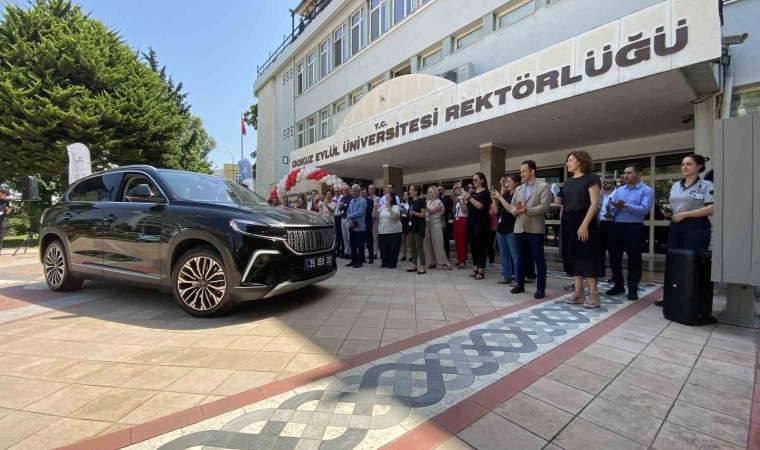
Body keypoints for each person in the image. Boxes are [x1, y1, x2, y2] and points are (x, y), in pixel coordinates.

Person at [656, 154, 714, 307]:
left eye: (689, 164)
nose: (684, 167)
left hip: (696, 226)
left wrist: (686, 214)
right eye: (682, 164)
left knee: (693, 262)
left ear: (699, 166)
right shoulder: (676, 185)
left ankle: (692, 298)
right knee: (675, 261)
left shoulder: (706, 185)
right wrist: (672, 213)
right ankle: (672, 296)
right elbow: (675, 205)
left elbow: (712, 208)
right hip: (677, 225)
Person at [561, 151, 603, 309]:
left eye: (570, 160)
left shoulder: (591, 178)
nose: (567, 163)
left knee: (586, 257)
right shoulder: (568, 182)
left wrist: (585, 224)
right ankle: (578, 292)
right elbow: (567, 202)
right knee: (573, 257)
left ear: (580, 161)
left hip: (585, 221)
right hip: (569, 221)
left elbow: (594, 203)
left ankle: (594, 294)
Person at [606, 164, 653, 301]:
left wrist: (625, 205)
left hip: (634, 227)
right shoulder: (620, 190)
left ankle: (632, 288)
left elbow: (644, 209)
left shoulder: (646, 190)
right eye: (625, 173)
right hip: (617, 226)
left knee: (634, 259)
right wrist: (612, 209)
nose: (625, 175)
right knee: (614, 257)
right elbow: (613, 207)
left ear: (639, 174)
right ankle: (618, 284)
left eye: (629, 173)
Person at [509, 160, 551, 299]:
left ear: (532, 171)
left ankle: (540, 289)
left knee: (538, 259)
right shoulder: (519, 189)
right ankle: (519, 284)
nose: (521, 174)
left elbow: (544, 207)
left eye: (524, 171)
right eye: (520, 171)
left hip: (535, 229)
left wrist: (528, 210)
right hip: (519, 228)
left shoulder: (543, 186)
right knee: (520, 258)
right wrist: (515, 210)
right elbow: (512, 205)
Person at [462, 172, 492, 280]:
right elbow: (465, 210)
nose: (474, 182)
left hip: (481, 222)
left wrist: (469, 197)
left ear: (482, 180)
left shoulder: (485, 192)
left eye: (476, 179)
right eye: (473, 180)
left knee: (480, 245)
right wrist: (462, 200)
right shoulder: (473, 193)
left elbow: (480, 206)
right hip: (471, 221)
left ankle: (481, 269)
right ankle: (475, 266)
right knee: (473, 245)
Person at [492, 174, 520, 286]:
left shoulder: (517, 195)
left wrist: (500, 198)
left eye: (509, 182)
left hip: (511, 228)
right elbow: (496, 211)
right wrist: (494, 199)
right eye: (506, 182)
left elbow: (511, 209)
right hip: (501, 227)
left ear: (516, 183)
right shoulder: (506, 194)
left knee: (515, 255)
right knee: (504, 254)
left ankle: (517, 279)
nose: (507, 184)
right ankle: (507, 277)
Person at [424, 186, 453, 270]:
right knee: (427, 244)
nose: (428, 193)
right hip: (427, 224)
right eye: (428, 192)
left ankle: (444, 262)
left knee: (438, 243)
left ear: (435, 193)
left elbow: (432, 210)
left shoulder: (438, 201)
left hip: (436, 224)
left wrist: (424, 205)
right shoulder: (427, 202)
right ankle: (430, 262)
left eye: (430, 192)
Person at [406, 185, 427, 274]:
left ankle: (423, 266)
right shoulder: (410, 202)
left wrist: (414, 213)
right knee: (412, 246)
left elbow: (423, 215)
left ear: (416, 192)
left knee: (419, 247)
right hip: (411, 226)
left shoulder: (421, 201)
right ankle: (414, 265)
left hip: (419, 226)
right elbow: (409, 214)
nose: (409, 191)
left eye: (411, 190)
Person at [599, 179, 617, 281]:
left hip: (612, 224)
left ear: (614, 185)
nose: (605, 184)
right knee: (600, 250)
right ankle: (600, 272)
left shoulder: (616, 195)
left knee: (613, 251)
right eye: (604, 182)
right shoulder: (600, 195)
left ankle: (615, 275)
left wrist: (613, 214)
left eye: (608, 183)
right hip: (601, 223)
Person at [378, 192, 402, 268]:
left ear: (392, 198)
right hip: (382, 230)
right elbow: (375, 215)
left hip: (393, 230)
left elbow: (394, 216)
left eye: (388, 197)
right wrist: (375, 207)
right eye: (386, 196)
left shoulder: (396, 207)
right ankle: (384, 262)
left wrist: (389, 207)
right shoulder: (382, 207)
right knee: (383, 247)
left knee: (393, 248)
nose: (386, 198)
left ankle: (392, 263)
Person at [346, 184, 367, 268]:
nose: (352, 192)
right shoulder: (351, 201)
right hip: (352, 224)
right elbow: (348, 211)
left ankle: (359, 261)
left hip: (359, 226)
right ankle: (353, 260)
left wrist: (350, 216)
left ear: (358, 191)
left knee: (360, 244)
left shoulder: (363, 201)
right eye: (352, 191)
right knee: (352, 244)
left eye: (354, 191)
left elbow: (361, 212)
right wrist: (349, 219)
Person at [452, 183, 468, 268]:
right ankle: (459, 259)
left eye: (458, 191)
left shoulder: (464, 200)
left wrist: (461, 200)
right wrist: (455, 203)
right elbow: (453, 212)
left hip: (462, 219)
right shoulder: (457, 201)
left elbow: (465, 210)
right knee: (457, 240)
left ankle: (462, 260)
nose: (456, 192)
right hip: (456, 219)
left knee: (461, 240)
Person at [361, 188, 375, 264]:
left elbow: (369, 209)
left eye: (365, 193)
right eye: (362, 193)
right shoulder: (359, 201)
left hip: (368, 224)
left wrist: (362, 207)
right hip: (360, 224)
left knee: (369, 241)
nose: (364, 194)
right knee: (361, 242)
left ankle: (371, 257)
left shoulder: (370, 201)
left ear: (367, 193)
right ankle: (362, 257)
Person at [439, 186, 453, 259]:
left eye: (440, 189)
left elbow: (447, 209)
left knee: (445, 239)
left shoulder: (447, 198)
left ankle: (446, 255)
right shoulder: (435, 199)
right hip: (436, 222)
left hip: (444, 221)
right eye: (438, 190)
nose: (439, 191)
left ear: (444, 190)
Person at [367, 184, 381, 261]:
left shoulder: (377, 199)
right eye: (369, 189)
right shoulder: (367, 198)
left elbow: (378, 209)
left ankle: (375, 253)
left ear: (374, 190)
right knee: (369, 237)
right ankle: (370, 253)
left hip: (375, 219)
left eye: (371, 189)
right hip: (368, 220)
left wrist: (373, 216)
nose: (369, 190)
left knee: (375, 236)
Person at [340, 186, 352, 258]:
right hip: (343, 218)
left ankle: (351, 252)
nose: (345, 191)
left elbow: (349, 206)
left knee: (349, 236)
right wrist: (341, 205)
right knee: (344, 237)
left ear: (349, 190)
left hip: (348, 218)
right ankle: (346, 252)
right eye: (344, 190)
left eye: (347, 190)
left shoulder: (351, 197)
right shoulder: (342, 198)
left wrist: (343, 205)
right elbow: (340, 208)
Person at [333, 187, 345, 254]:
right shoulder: (333, 198)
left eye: (337, 191)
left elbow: (343, 206)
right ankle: (337, 251)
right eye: (335, 191)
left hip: (341, 217)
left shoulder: (342, 197)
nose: (336, 192)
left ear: (340, 191)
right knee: (336, 235)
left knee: (342, 235)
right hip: (335, 217)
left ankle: (342, 251)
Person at [400, 191, 411, 261]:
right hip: (403, 221)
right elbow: (400, 214)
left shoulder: (411, 203)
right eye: (403, 194)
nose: (404, 195)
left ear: (409, 195)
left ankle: (410, 255)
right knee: (403, 240)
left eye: (406, 194)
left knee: (409, 240)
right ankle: (404, 255)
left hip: (409, 221)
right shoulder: (402, 204)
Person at [0, 189, 10, 254]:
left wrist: (8, 210)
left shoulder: (6, 201)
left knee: (1, 235)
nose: (5, 197)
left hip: (3, 218)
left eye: (6, 196)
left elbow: (8, 211)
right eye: (4, 195)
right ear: (0, 193)